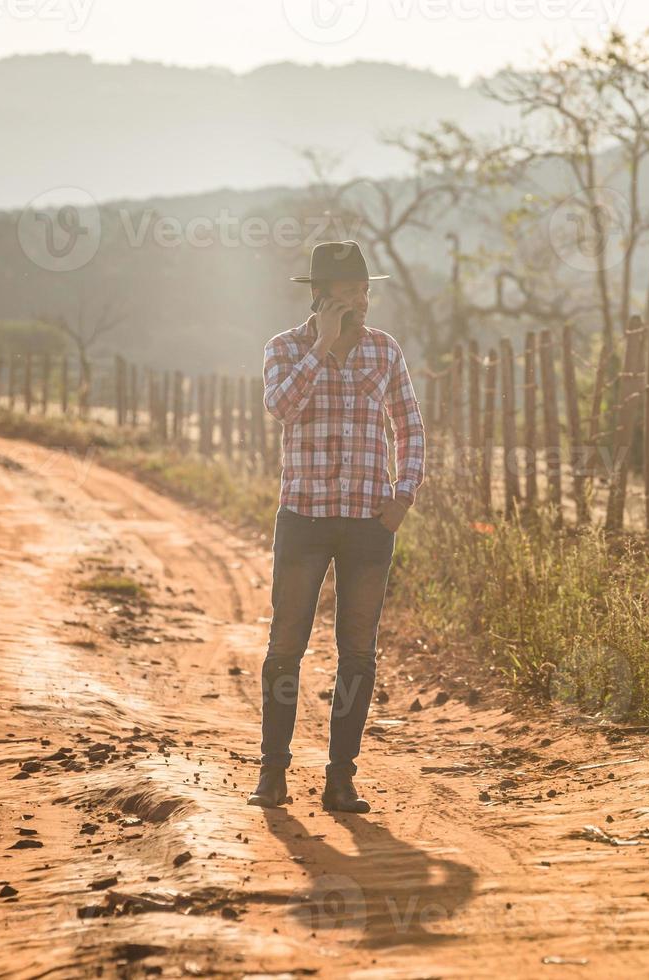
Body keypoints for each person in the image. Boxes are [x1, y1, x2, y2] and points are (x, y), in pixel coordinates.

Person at [249, 240, 425, 813]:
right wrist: (321, 348)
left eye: (366, 290)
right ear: (321, 296)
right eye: (350, 291)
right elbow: (281, 408)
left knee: (358, 653)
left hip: (369, 525)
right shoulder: (284, 348)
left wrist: (403, 495)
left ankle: (340, 779)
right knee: (285, 646)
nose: (362, 301)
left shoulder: (384, 351)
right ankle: (272, 775)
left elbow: (410, 427)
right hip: (303, 518)